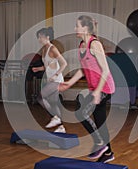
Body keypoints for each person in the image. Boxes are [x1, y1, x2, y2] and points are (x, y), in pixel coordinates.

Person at [59, 15, 115, 163]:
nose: (75, 28)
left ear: (85, 28)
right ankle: (108, 153)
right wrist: (69, 83)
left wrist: (97, 92)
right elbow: (83, 69)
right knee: (100, 122)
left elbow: (105, 70)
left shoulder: (94, 44)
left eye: (77, 26)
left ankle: (99, 144)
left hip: (105, 88)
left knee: (81, 112)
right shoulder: (82, 45)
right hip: (95, 88)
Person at [32, 27, 67, 133]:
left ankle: (56, 118)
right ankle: (61, 127)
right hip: (51, 80)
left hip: (57, 80)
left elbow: (64, 63)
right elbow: (48, 65)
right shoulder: (44, 49)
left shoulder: (53, 49)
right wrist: (39, 68)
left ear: (47, 37)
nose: (39, 39)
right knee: (53, 103)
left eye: (40, 37)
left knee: (40, 97)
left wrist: (55, 75)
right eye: (38, 37)